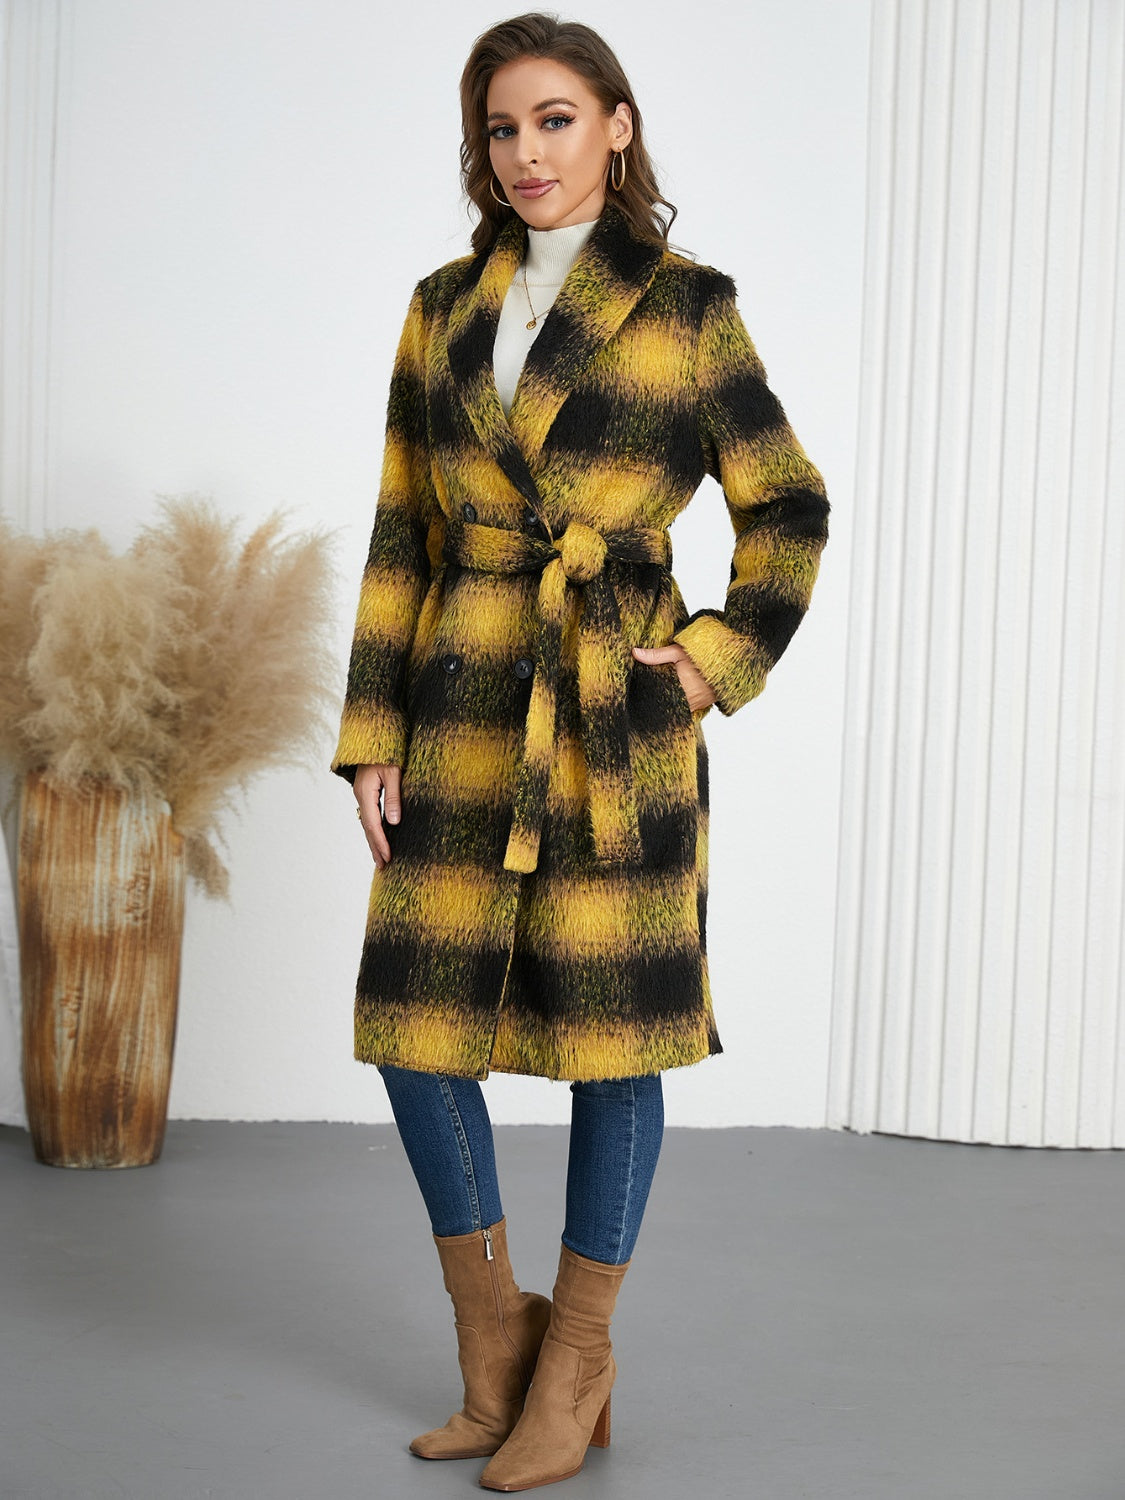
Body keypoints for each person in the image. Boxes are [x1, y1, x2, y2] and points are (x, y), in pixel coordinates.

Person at [330, 12, 830, 1491]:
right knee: (415, 1033)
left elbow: (786, 504)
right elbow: (401, 531)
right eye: (502, 127)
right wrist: (371, 733)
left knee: (617, 1039)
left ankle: (581, 1357)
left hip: (613, 713)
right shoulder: (439, 308)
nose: (527, 151)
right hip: (458, 702)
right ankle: (495, 1347)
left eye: (555, 118)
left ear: (616, 126)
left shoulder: (687, 306)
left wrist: (715, 659)